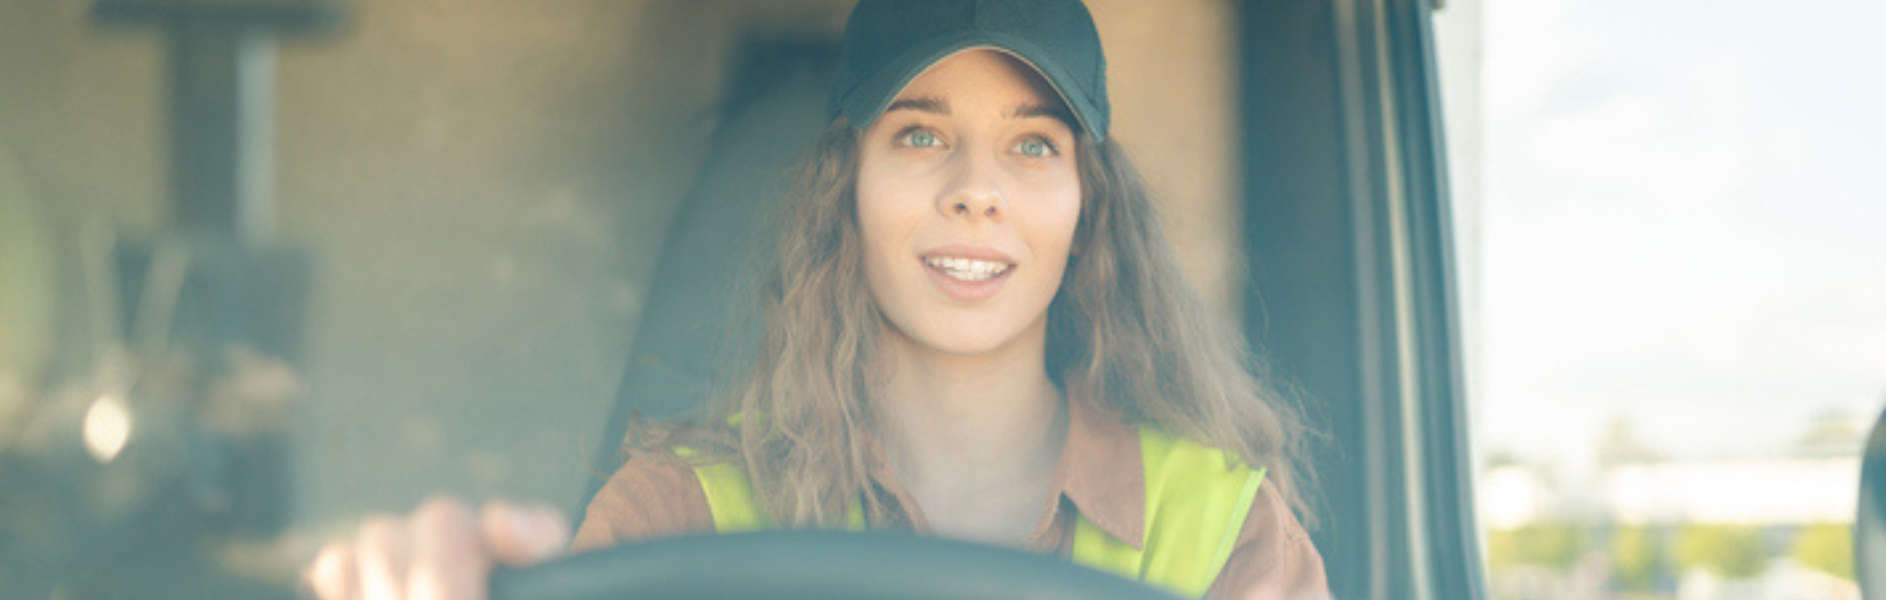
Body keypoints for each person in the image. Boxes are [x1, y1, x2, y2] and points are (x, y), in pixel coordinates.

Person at [305, 1, 1331, 598]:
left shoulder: (1226, 528)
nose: (975, 187)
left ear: (1087, 209)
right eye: (920, 134)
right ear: (844, 195)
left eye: (1033, 143)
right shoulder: (679, 511)